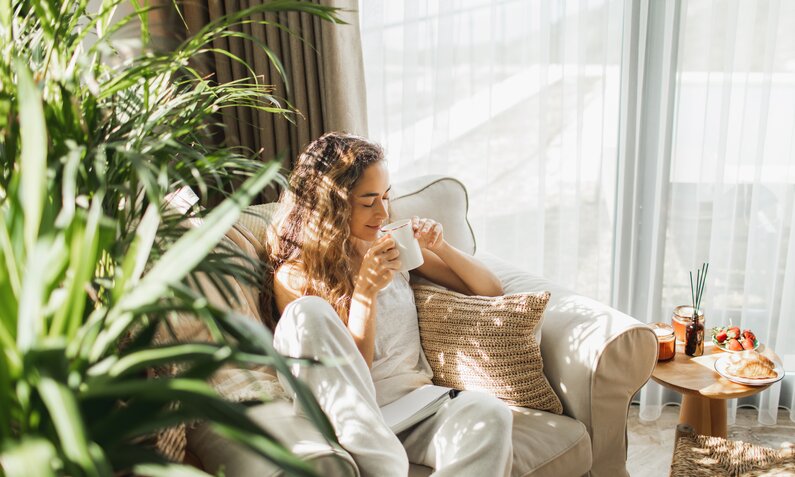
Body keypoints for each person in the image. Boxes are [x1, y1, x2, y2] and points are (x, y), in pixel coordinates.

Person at [267, 132, 513, 477]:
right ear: (331, 205)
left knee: (490, 413)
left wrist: (440, 246)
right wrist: (365, 293)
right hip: (357, 417)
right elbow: (354, 374)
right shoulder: (296, 276)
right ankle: (382, 463)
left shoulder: (391, 247)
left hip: (418, 406)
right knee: (307, 312)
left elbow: (489, 289)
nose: (382, 212)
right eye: (368, 202)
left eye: (385, 197)